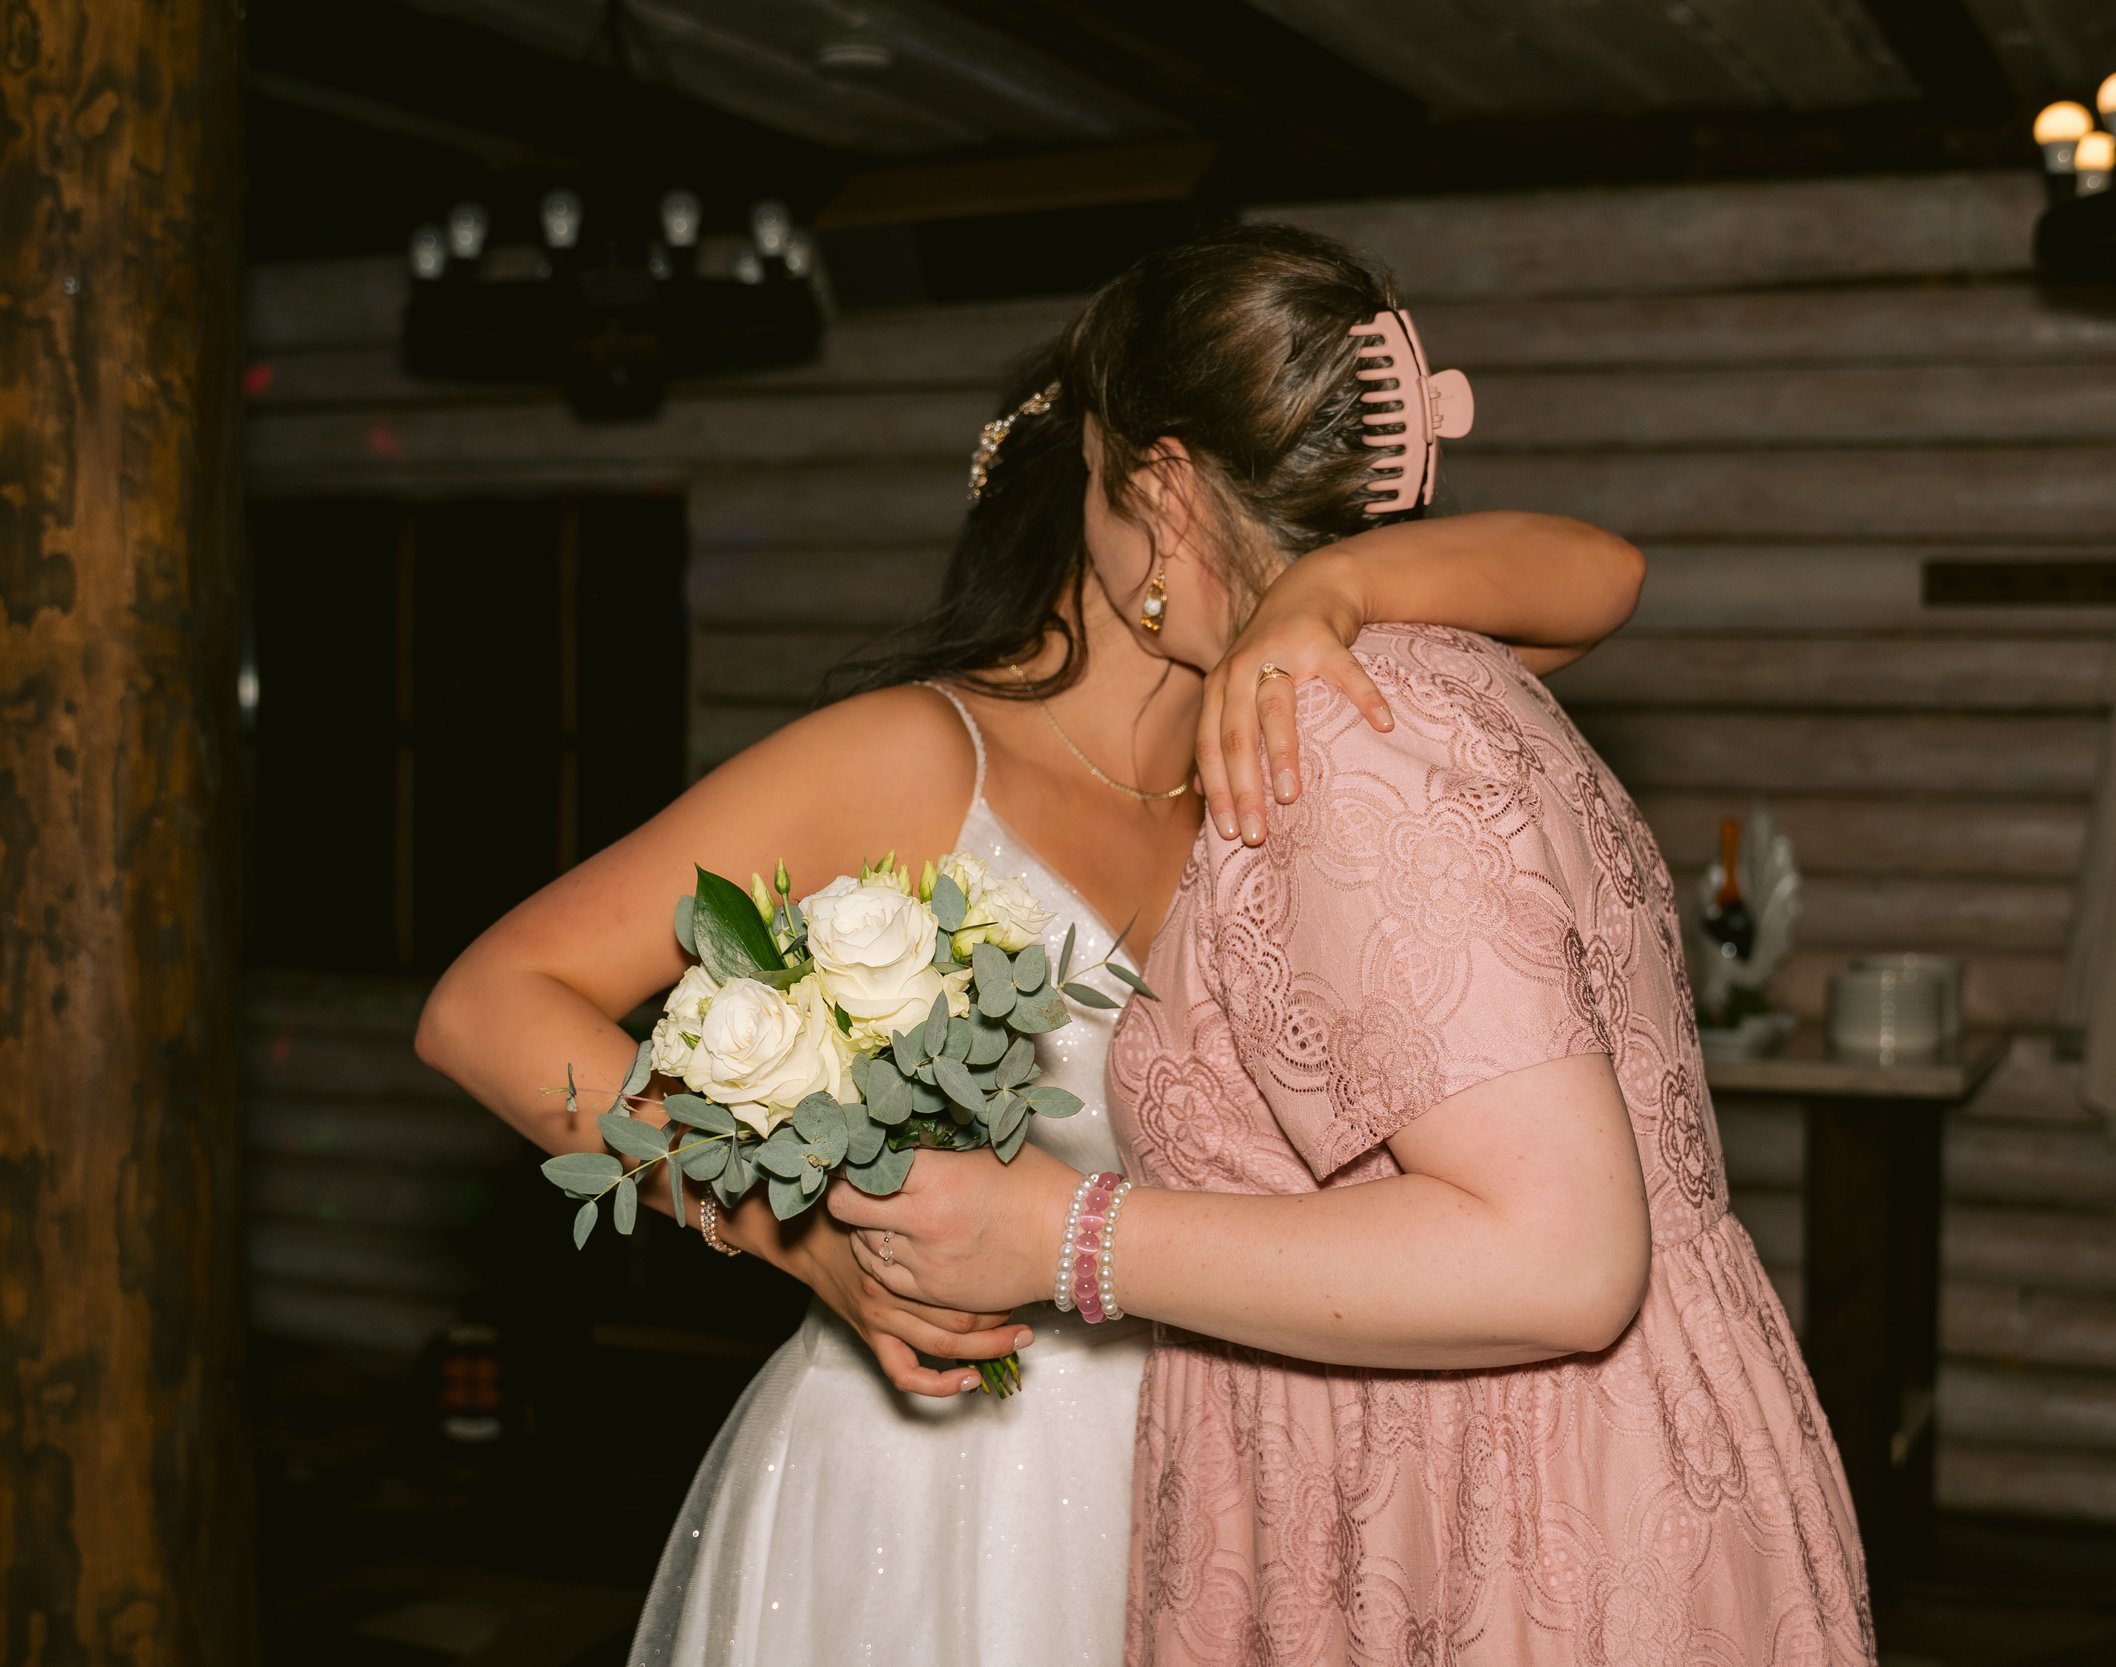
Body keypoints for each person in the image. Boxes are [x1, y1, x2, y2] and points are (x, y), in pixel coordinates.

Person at [412, 334, 1647, 1665]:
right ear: (1155, 500)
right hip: (950, 1476)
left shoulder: (1282, 736)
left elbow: (1602, 577)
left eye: (1325, 531)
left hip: (1230, 1454)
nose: (1299, 551)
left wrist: (1332, 595)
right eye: (1280, 519)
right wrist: (801, 1242)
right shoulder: (917, 754)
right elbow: (490, 1005)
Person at [833, 226, 1874, 1665]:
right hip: (1597, 1442)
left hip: (1499, 1502)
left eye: (1089, 479)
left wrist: (1060, 1236)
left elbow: (1559, 1257)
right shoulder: (1424, 660)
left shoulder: (1335, 725)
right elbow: (1584, 572)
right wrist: (1329, 589)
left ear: (1162, 488)